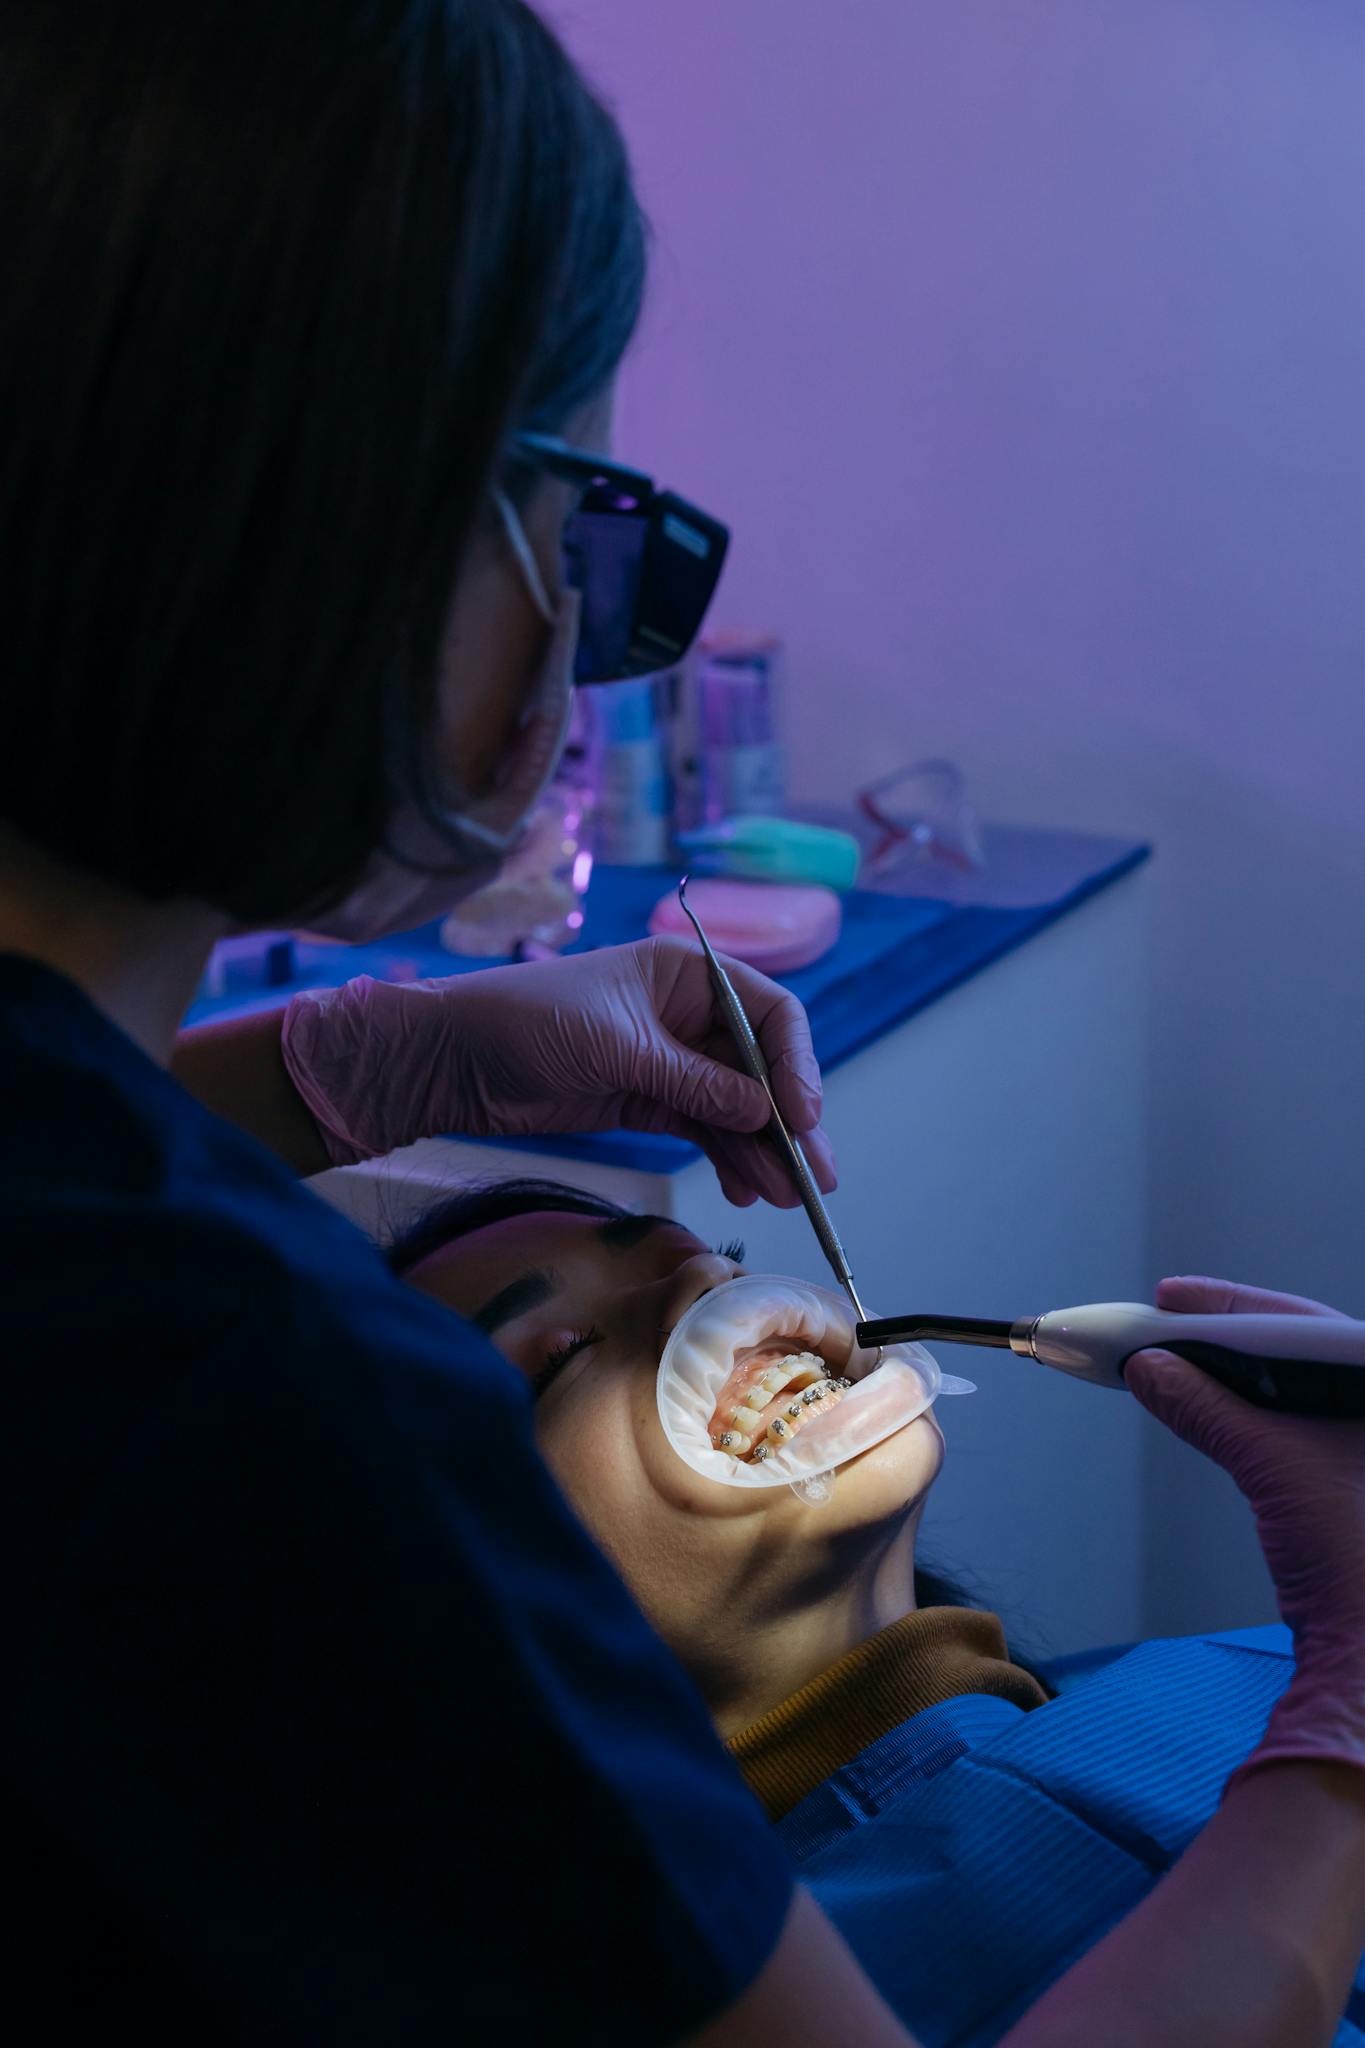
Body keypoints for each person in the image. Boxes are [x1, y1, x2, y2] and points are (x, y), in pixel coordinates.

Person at [4, 2, 1365, 2042]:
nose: (590, 626)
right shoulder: (259, 1416)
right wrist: (1342, 1734)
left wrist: (375, 1059)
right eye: (575, 528)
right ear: (327, 515)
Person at [390, 1178, 1365, 2044]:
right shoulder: (746, 1999)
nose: (704, 1285)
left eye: (714, 1258)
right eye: (558, 1357)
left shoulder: (1259, 1673)